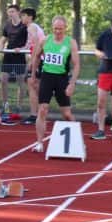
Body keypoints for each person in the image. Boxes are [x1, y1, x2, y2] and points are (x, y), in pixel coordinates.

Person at [29, 15, 80, 152]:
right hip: (47, 77)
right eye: (55, 28)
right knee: (42, 110)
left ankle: (78, 139)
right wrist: (33, 76)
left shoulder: (70, 42)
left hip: (61, 79)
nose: (57, 31)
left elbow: (76, 65)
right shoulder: (45, 40)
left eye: (60, 29)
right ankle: (39, 143)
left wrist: (72, 83)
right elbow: (36, 57)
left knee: (67, 114)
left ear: (65, 28)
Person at [0, 4, 29, 112]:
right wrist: (1, 46)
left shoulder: (24, 26)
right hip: (8, 56)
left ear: (18, 12)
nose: (10, 14)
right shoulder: (7, 25)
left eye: (12, 11)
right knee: (3, 80)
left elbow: (29, 42)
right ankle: (5, 105)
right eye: (9, 12)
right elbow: (3, 39)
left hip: (20, 57)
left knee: (20, 82)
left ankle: (19, 106)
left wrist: (22, 49)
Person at [18, 7, 45, 125]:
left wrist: (33, 61)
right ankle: (39, 114)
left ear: (30, 17)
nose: (21, 18)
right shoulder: (33, 27)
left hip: (39, 60)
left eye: (23, 16)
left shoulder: (31, 27)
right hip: (40, 59)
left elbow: (37, 43)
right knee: (35, 86)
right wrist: (21, 49)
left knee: (33, 86)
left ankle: (35, 115)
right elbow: (31, 44)